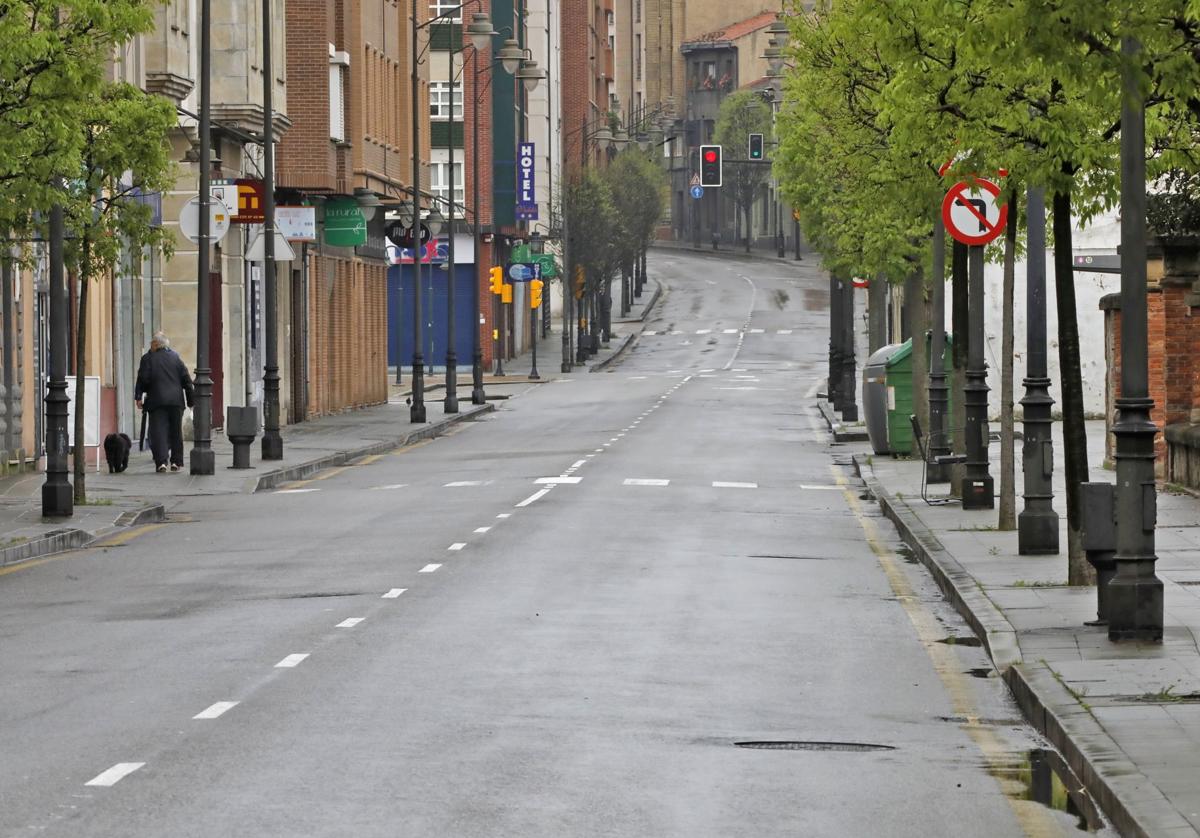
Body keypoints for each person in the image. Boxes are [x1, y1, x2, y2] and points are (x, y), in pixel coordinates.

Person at [134, 332, 194, 473]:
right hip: (175, 402)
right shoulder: (176, 358)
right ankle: (176, 462)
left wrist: (138, 396)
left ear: (155, 344)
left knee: (158, 432)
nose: (150, 346)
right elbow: (187, 380)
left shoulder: (148, 358)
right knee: (176, 431)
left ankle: (161, 462)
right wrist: (191, 401)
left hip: (156, 401)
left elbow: (143, 379)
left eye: (151, 344)